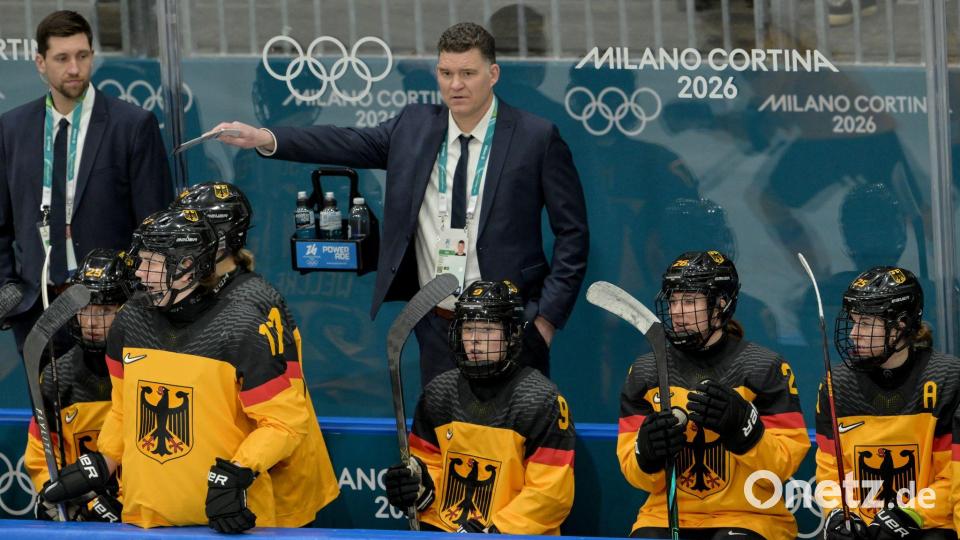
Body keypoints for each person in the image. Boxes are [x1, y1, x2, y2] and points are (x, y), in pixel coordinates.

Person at [210, 21, 589, 385]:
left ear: (493, 74)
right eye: (445, 73)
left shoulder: (535, 137)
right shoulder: (414, 126)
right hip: (437, 323)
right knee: (444, 436)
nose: (455, 85)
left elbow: (573, 233)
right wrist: (263, 136)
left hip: (511, 323)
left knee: (516, 436)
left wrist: (546, 320)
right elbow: (344, 142)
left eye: (468, 74)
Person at [40, 208, 314, 532]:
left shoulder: (243, 325)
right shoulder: (129, 321)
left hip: (226, 521)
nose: (139, 272)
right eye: (139, 260)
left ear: (187, 266)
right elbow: (125, 409)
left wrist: (239, 470)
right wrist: (105, 460)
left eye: (151, 262)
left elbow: (284, 422)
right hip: (144, 518)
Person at [0, 10, 173, 356]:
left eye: (82, 56)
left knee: (114, 410)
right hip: (38, 309)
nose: (75, 68)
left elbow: (155, 227)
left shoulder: (132, 125)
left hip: (113, 311)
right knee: (49, 408)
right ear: (40, 62)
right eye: (62, 58)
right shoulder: (12, 129)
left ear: (92, 56)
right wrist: (9, 289)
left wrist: (139, 303)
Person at [171, 181, 339, 526]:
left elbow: (284, 417)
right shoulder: (196, 293)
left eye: (193, 229)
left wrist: (238, 470)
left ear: (222, 238)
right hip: (229, 475)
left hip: (270, 479)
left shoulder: (253, 301)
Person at [618, 250, 809, 539]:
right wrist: (646, 454)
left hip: (751, 516)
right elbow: (638, 477)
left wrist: (745, 429)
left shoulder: (764, 366)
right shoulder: (646, 370)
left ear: (720, 304)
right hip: (666, 514)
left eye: (689, 301)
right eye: (673, 301)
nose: (677, 312)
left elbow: (782, 467)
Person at [382, 280, 575, 534]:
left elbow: (550, 495)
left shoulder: (541, 399)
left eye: (486, 330)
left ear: (512, 334)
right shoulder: (439, 392)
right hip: (444, 531)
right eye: (468, 328)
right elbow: (430, 466)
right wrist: (419, 489)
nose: (473, 340)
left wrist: (493, 532)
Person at [819, 267, 958, 539]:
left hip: (928, 526)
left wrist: (907, 515)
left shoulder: (947, 378)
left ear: (900, 326)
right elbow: (830, 473)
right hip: (865, 526)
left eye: (866, 324)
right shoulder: (837, 382)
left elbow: (952, 479)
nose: (853, 334)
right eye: (854, 321)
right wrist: (838, 513)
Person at [26, 248, 128, 522]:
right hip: (81, 513)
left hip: (137, 516)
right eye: (85, 310)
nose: (92, 322)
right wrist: (54, 493)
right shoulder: (56, 376)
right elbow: (40, 453)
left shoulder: (145, 369)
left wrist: (123, 505)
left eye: (104, 310)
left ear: (125, 310)